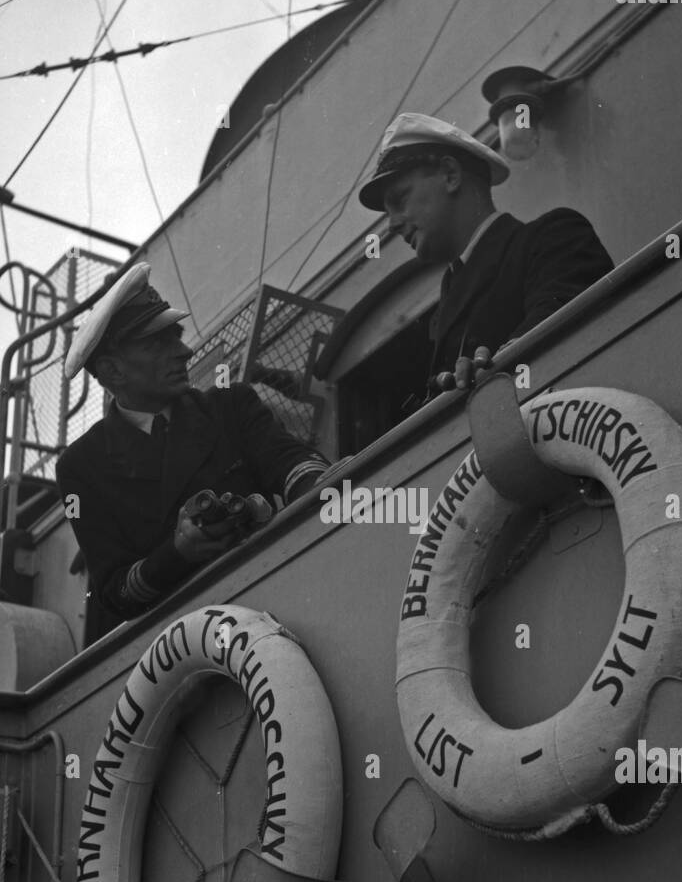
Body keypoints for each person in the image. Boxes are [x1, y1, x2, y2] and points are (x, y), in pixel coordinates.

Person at [57, 262, 330, 622]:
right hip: (186, 650)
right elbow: (115, 592)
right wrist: (178, 552)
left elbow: (289, 462)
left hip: (277, 605)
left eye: (177, 334)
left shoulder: (231, 405)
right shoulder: (82, 467)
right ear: (112, 371)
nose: (184, 351)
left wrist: (326, 486)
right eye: (159, 342)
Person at [359, 111, 613, 397]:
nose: (392, 225)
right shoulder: (449, 295)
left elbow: (563, 334)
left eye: (399, 199)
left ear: (451, 176)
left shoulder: (553, 237)